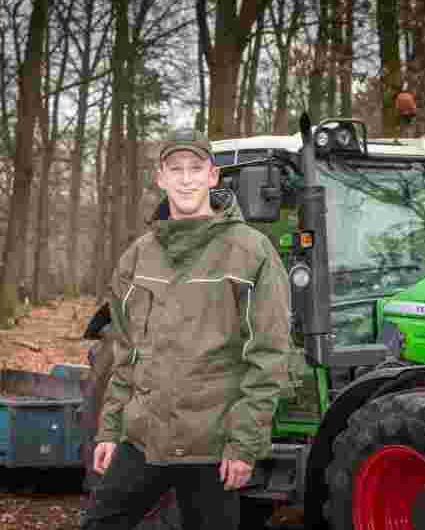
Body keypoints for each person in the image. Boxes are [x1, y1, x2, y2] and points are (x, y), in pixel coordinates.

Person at [82, 127, 292, 530]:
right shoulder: (137, 257)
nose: (185, 178)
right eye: (174, 169)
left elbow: (267, 358)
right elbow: (126, 353)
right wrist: (109, 430)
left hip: (212, 449)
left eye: (195, 168)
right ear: (160, 178)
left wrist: (244, 446)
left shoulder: (250, 252)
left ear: (213, 176)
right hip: (144, 442)